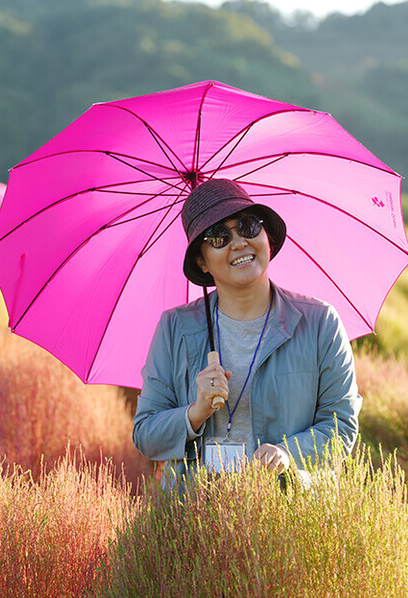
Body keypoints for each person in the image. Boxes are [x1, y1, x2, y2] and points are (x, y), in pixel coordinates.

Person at [133, 179, 361, 486]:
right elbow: (146, 434)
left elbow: (341, 425)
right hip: (196, 517)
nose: (239, 242)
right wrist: (195, 413)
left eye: (249, 226)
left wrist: (288, 454)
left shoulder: (320, 323)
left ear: (267, 237)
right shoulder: (175, 328)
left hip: (292, 515)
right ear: (201, 261)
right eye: (218, 236)